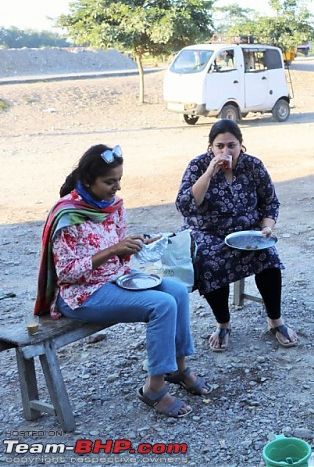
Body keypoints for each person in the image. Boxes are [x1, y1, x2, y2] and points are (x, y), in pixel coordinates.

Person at [34, 144, 209, 419]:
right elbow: (66, 273)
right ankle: (154, 389)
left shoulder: (112, 207)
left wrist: (138, 244)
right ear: (89, 180)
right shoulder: (67, 215)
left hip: (115, 280)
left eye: (119, 180)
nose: (116, 187)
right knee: (161, 305)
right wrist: (114, 251)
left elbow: (119, 248)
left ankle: (178, 367)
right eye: (109, 181)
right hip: (81, 295)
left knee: (176, 291)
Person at [176, 119, 298, 352]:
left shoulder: (253, 166)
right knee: (209, 260)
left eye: (231, 145)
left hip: (246, 231)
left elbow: (270, 202)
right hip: (206, 231)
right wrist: (209, 172)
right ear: (210, 146)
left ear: (241, 145)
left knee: (269, 259)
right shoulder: (198, 166)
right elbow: (185, 205)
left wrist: (267, 227)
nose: (225, 151)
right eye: (219, 146)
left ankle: (275, 320)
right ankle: (223, 323)